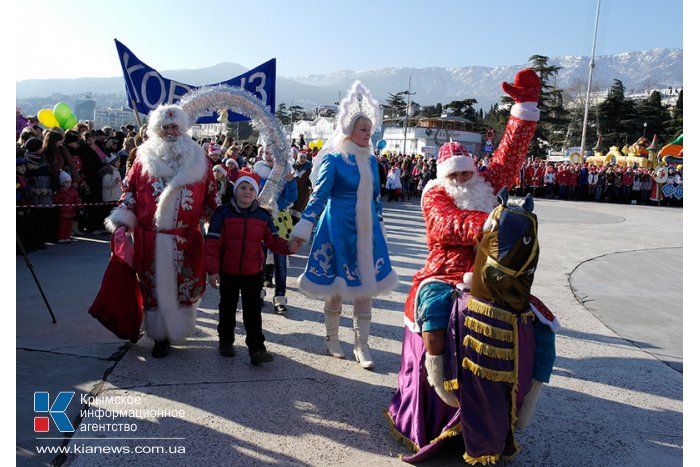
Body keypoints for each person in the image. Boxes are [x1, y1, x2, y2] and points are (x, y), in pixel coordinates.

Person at [386, 68, 542, 461]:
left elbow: (510, 154)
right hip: (444, 271)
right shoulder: (434, 194)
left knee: (542, 321)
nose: (461, 176)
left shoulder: (484, 184)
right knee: (435, 307)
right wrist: (491, 224)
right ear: (444, 175)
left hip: (492, 273)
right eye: (454, 172)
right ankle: (438, 381)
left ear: (474, 169)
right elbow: (445, 224)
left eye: (465, 170)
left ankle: (525, 398)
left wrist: (523, 108)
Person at [289, 81, 398, 370]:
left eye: (370, 129)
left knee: (365, 289)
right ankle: (332, 338)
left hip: (367, 229)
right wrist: (305, 226)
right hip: (337, 226)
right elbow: (320, 195)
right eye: (363, 129)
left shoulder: (372, 161)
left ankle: (362, 346)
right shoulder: (335, 160)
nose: (368, 134)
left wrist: (380, 226)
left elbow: (376, 198)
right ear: (349, 130)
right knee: (337, 287)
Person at [104, 104, 218, 358]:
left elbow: (211, 196)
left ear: (183, 128)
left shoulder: (199, 158)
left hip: (187, 237)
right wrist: (122, 219)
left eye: (174, 126)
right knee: (152, 286)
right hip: (150, 238)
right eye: (165, 127)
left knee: (185, 284)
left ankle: (180, 328)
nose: (170, 132)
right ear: (156, 129)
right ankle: (160, 336)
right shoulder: (142, 158)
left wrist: (223, 222)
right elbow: (129, 192)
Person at [204, 171, 298, 365]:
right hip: (228, 271)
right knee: (227, 308)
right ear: (235, 190)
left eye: (250, 189)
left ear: (256, 193)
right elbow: (212, 243)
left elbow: (272, 240)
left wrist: (288, 247)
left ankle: (256, 349)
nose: (246, 192)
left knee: (253, 311)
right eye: (242, 188)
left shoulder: (263, 216)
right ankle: (226, 341)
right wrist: (212, 270)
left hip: (253, 272)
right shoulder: (223, 213)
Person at [254, 147, 298, 315]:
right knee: (259, 258)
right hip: (261, 220)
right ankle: (258, 294)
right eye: (266, 153)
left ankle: (280, 298)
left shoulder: (285, 175)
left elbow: (291, 198)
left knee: (280, 261)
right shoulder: (258, 174)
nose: (270, 156)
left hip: (280, 220)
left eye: (273, 153)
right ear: (262, 155)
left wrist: (291, 182)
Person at [52, 171, 82, 244]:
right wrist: (55, 196)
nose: (68, 184)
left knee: (69, 226)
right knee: (62, 226)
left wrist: (80, 207)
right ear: (62, 183)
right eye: (66, 182)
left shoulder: (73, 191)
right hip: (62, 213)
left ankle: (67, 237)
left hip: (71, 212)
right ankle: (61, 238)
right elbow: (56, 201)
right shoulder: (60, 192)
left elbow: (77, 200)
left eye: (69, 182)